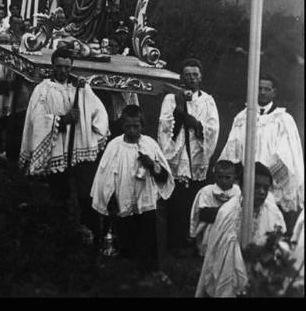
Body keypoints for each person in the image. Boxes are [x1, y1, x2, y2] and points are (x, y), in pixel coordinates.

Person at [19, 47, 109, 237]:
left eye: (67, 67)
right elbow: (39, 119)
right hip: (57, 148)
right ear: (52, 66)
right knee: (59, 193)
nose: (63, 71)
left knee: (86, 192)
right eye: (59, 66)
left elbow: (99, 111)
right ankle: (60, 232)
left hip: (78, 148)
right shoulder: (43, 90)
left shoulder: (80, 88)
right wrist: (63, 120)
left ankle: (90, 232)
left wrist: (91, 130)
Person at [91, 104, 174, 274]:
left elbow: (165, 176)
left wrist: (152, 165)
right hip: (123, 202)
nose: (132, 131)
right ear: (122, 126)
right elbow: (104, 176)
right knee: (126, 237)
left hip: (145, 202)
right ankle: (128, 273)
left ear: (142, 125)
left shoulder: (150, 144)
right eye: (128, 126)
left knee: (148, 237)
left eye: (136, 126)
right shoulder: (115, 146)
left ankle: (150, 272)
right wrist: (110, 200)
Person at [218, 73, 304, 231]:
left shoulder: (283, 119)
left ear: (274, 92)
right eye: (259, 88)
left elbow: (287, 154)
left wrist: (267, 177)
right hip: (247, 179)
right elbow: (233, 148)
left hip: (272, 182)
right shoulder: (242, 117)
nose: (262, 92)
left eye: (267, 89)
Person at [195, 162, 286, 298]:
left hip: (262, 274)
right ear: (243, 186)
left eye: (265, 188)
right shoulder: (227, 212)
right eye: (256, 187)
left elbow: (282, 249)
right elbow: (217, 253)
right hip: (231, 275)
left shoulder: (274, 213)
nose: (261, 192)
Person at [157, 57, 220, 252]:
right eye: (187, 75)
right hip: (177, 156)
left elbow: (214, 127)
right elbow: (164, 125)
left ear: (201, 77)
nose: (191, 78)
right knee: (176, 203)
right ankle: (174, 243)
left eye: (195, 74)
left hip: (197, 157)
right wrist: (180, 118)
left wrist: (197, 125)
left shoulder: (207, 101)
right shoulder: (172, 98)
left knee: (195, 200)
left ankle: (192, 241)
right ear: (182, 77)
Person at [189, 160, 241, 256]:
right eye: (220, 177)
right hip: (211, 225)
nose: (223, 181)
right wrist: (225, 212)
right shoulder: (207, 191)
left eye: (227, 177)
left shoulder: (237, 191)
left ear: (234, 177)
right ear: (214, 176)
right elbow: (204, 214)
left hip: (230, 226)